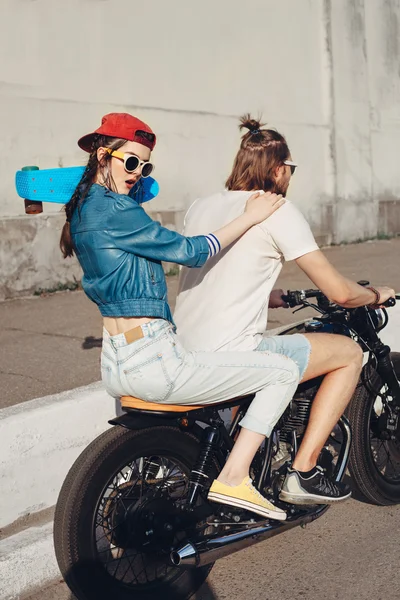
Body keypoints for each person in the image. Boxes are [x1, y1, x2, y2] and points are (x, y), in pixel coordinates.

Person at [59, 112, 305, 521]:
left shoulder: (84, 210)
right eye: (131, 162)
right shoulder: (118, 212)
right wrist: (250, 217)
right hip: (153, 358)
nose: (138, 174)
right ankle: (235, 476)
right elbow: (193, 252)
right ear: (104, 156)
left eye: (145, 165)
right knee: (281, 371)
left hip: (117, 363)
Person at [174, 115, 396, 506]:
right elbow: (340, 293)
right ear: (277, 169)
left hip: (185, 345)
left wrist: (273, 295)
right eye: (290, 168)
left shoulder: (201, 206)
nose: (291, 176)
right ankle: (304, 471)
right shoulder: (276, 209)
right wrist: (376, 294)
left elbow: (219, 270)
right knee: (346, 354)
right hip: (230, 353)